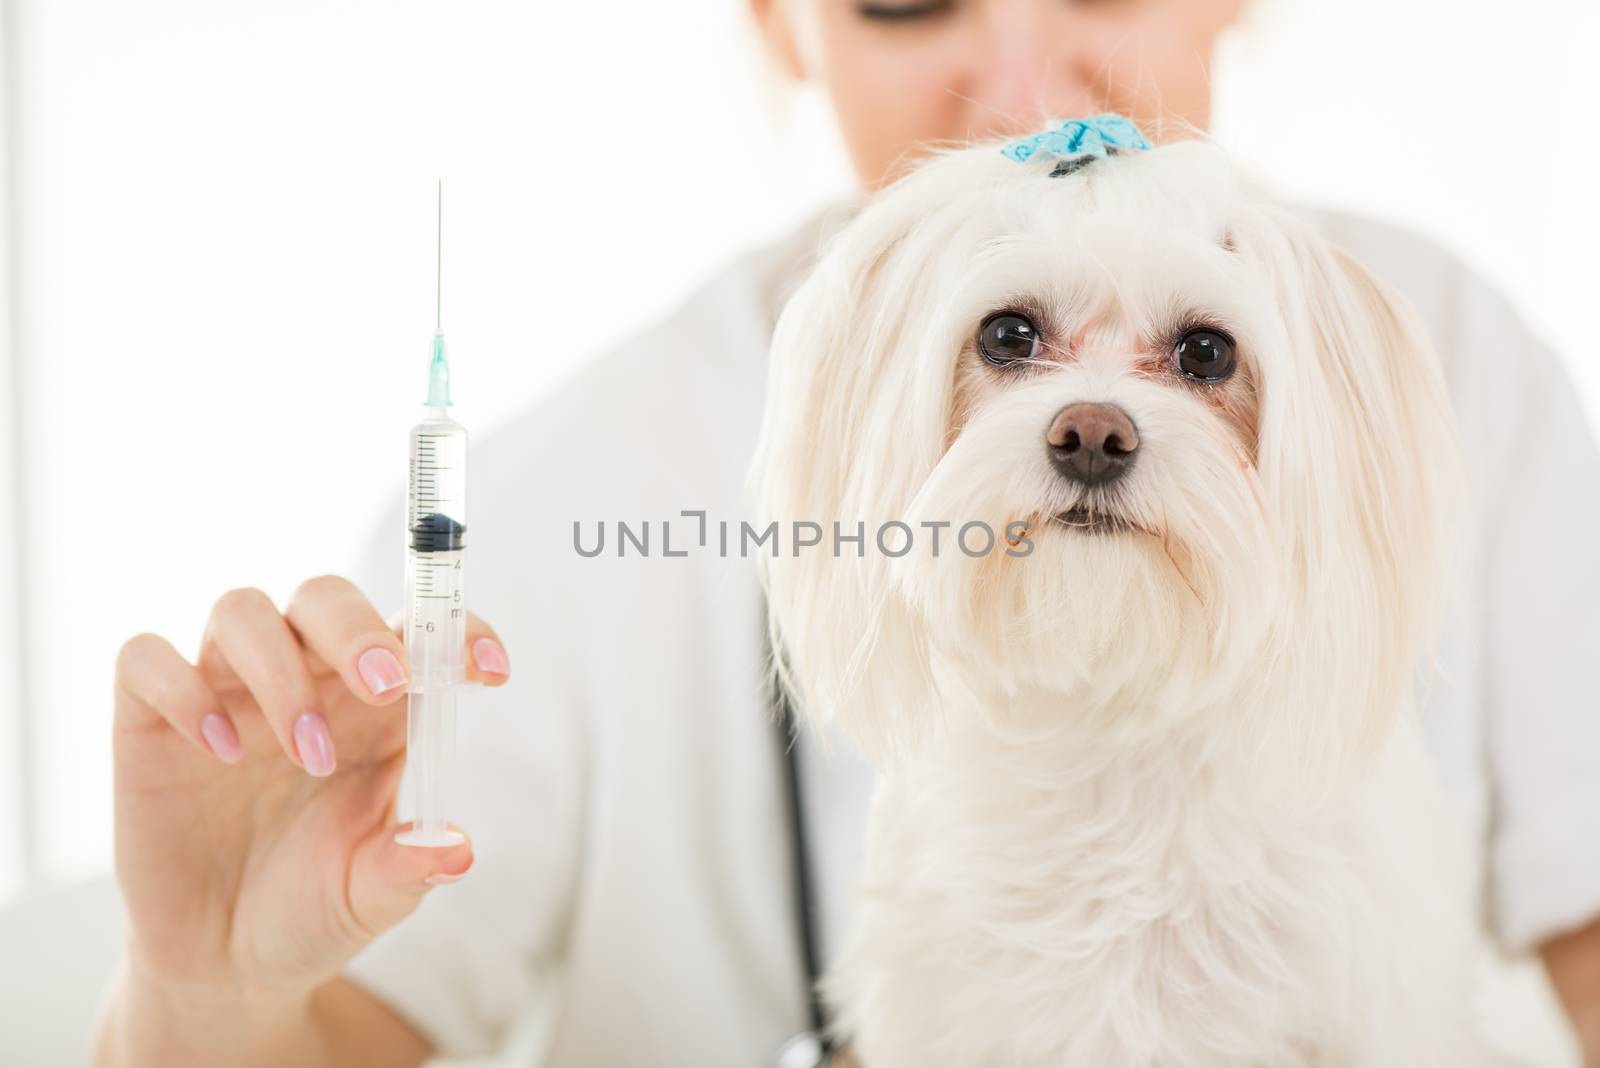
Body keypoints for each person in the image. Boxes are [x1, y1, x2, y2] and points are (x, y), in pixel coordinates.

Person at [95, 1, 1600, 1065]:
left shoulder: (1444, 355)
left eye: (1199, 361)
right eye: (904, 2)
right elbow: (345, 1026)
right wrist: (199, 991)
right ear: (778, 21)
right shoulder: (570, 481)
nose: (1017, 66)